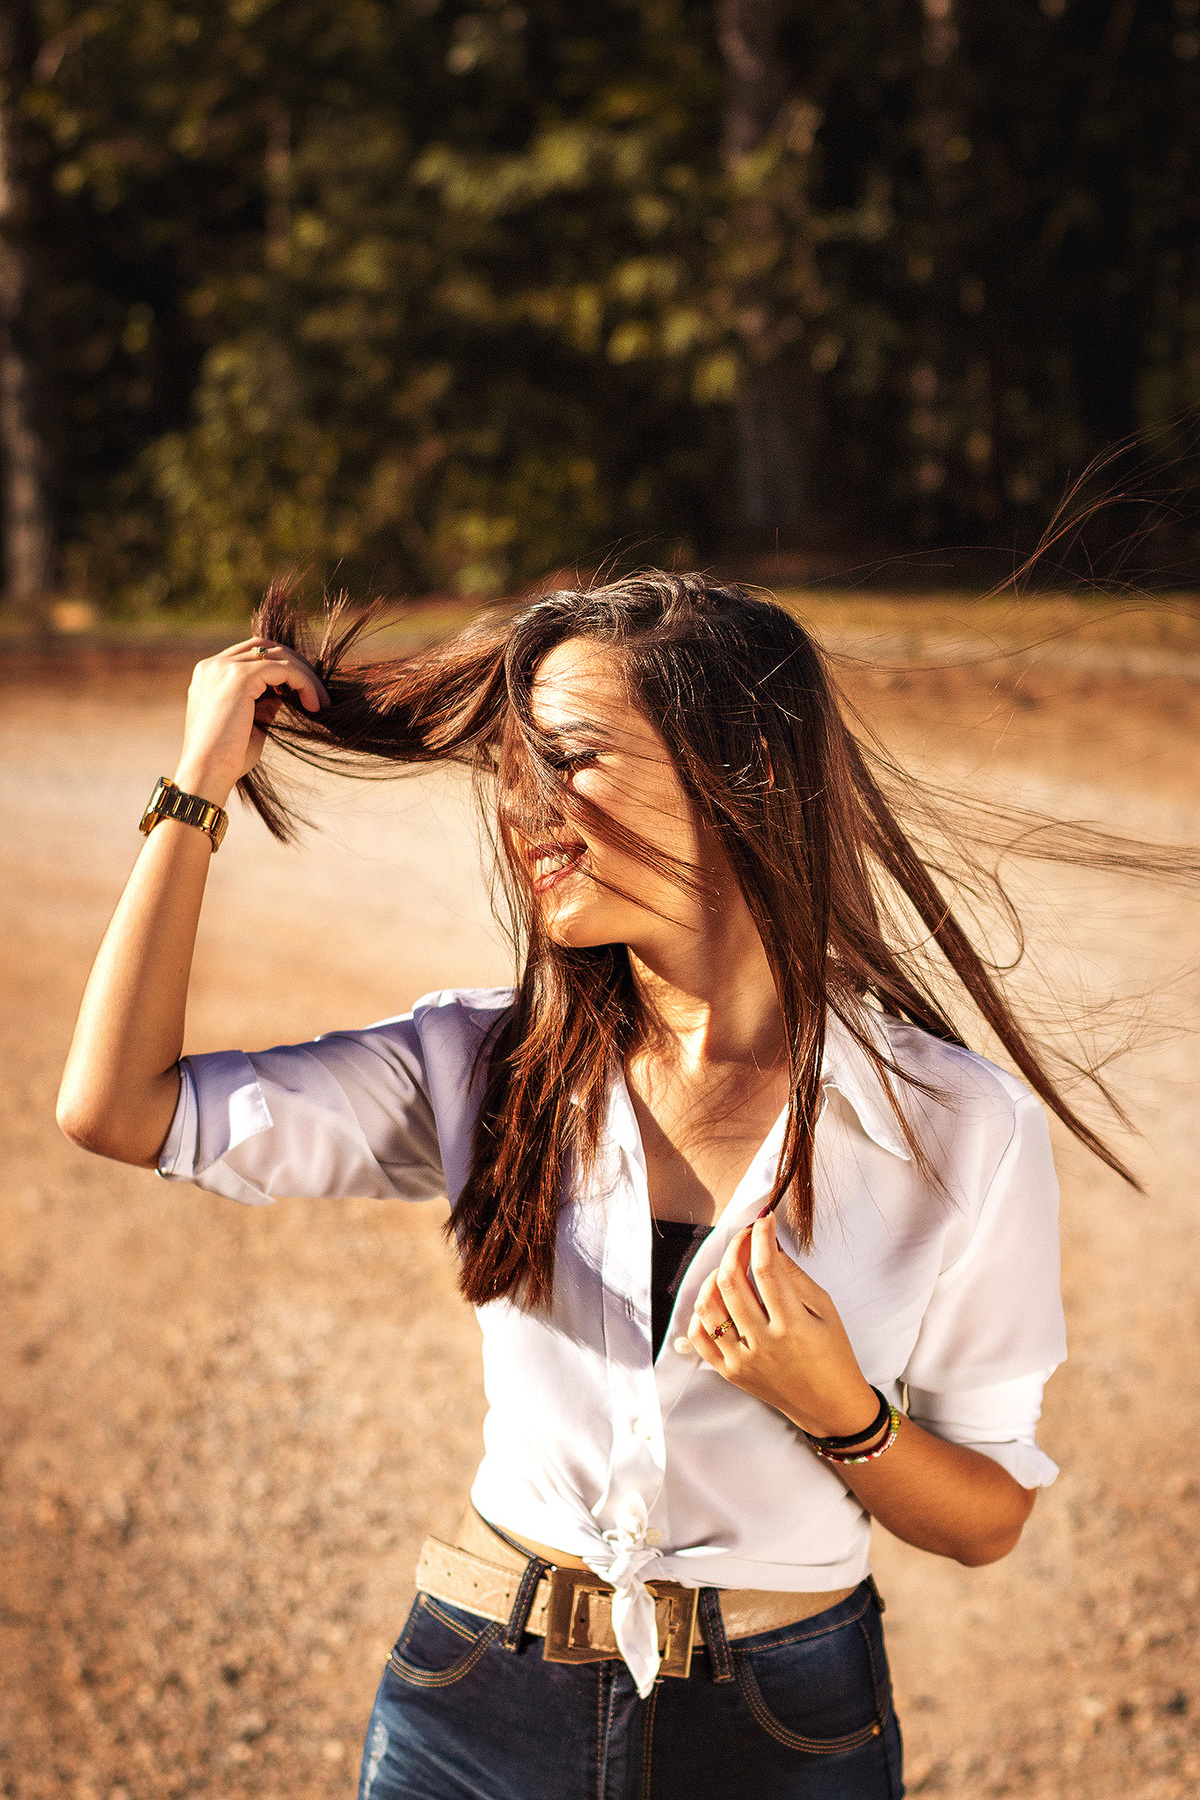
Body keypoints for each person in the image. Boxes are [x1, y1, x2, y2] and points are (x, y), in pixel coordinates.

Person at [62, 570, 1121, 1800]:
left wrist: (843, 1412)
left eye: (570, 761)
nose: (526, 808)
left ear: (741, 775)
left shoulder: (958, 1125)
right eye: (517, 769)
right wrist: (196, 787)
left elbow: (987, 1519)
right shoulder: (478, 1062)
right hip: (476, 1701)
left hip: (783, 1728)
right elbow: (117, 1108)